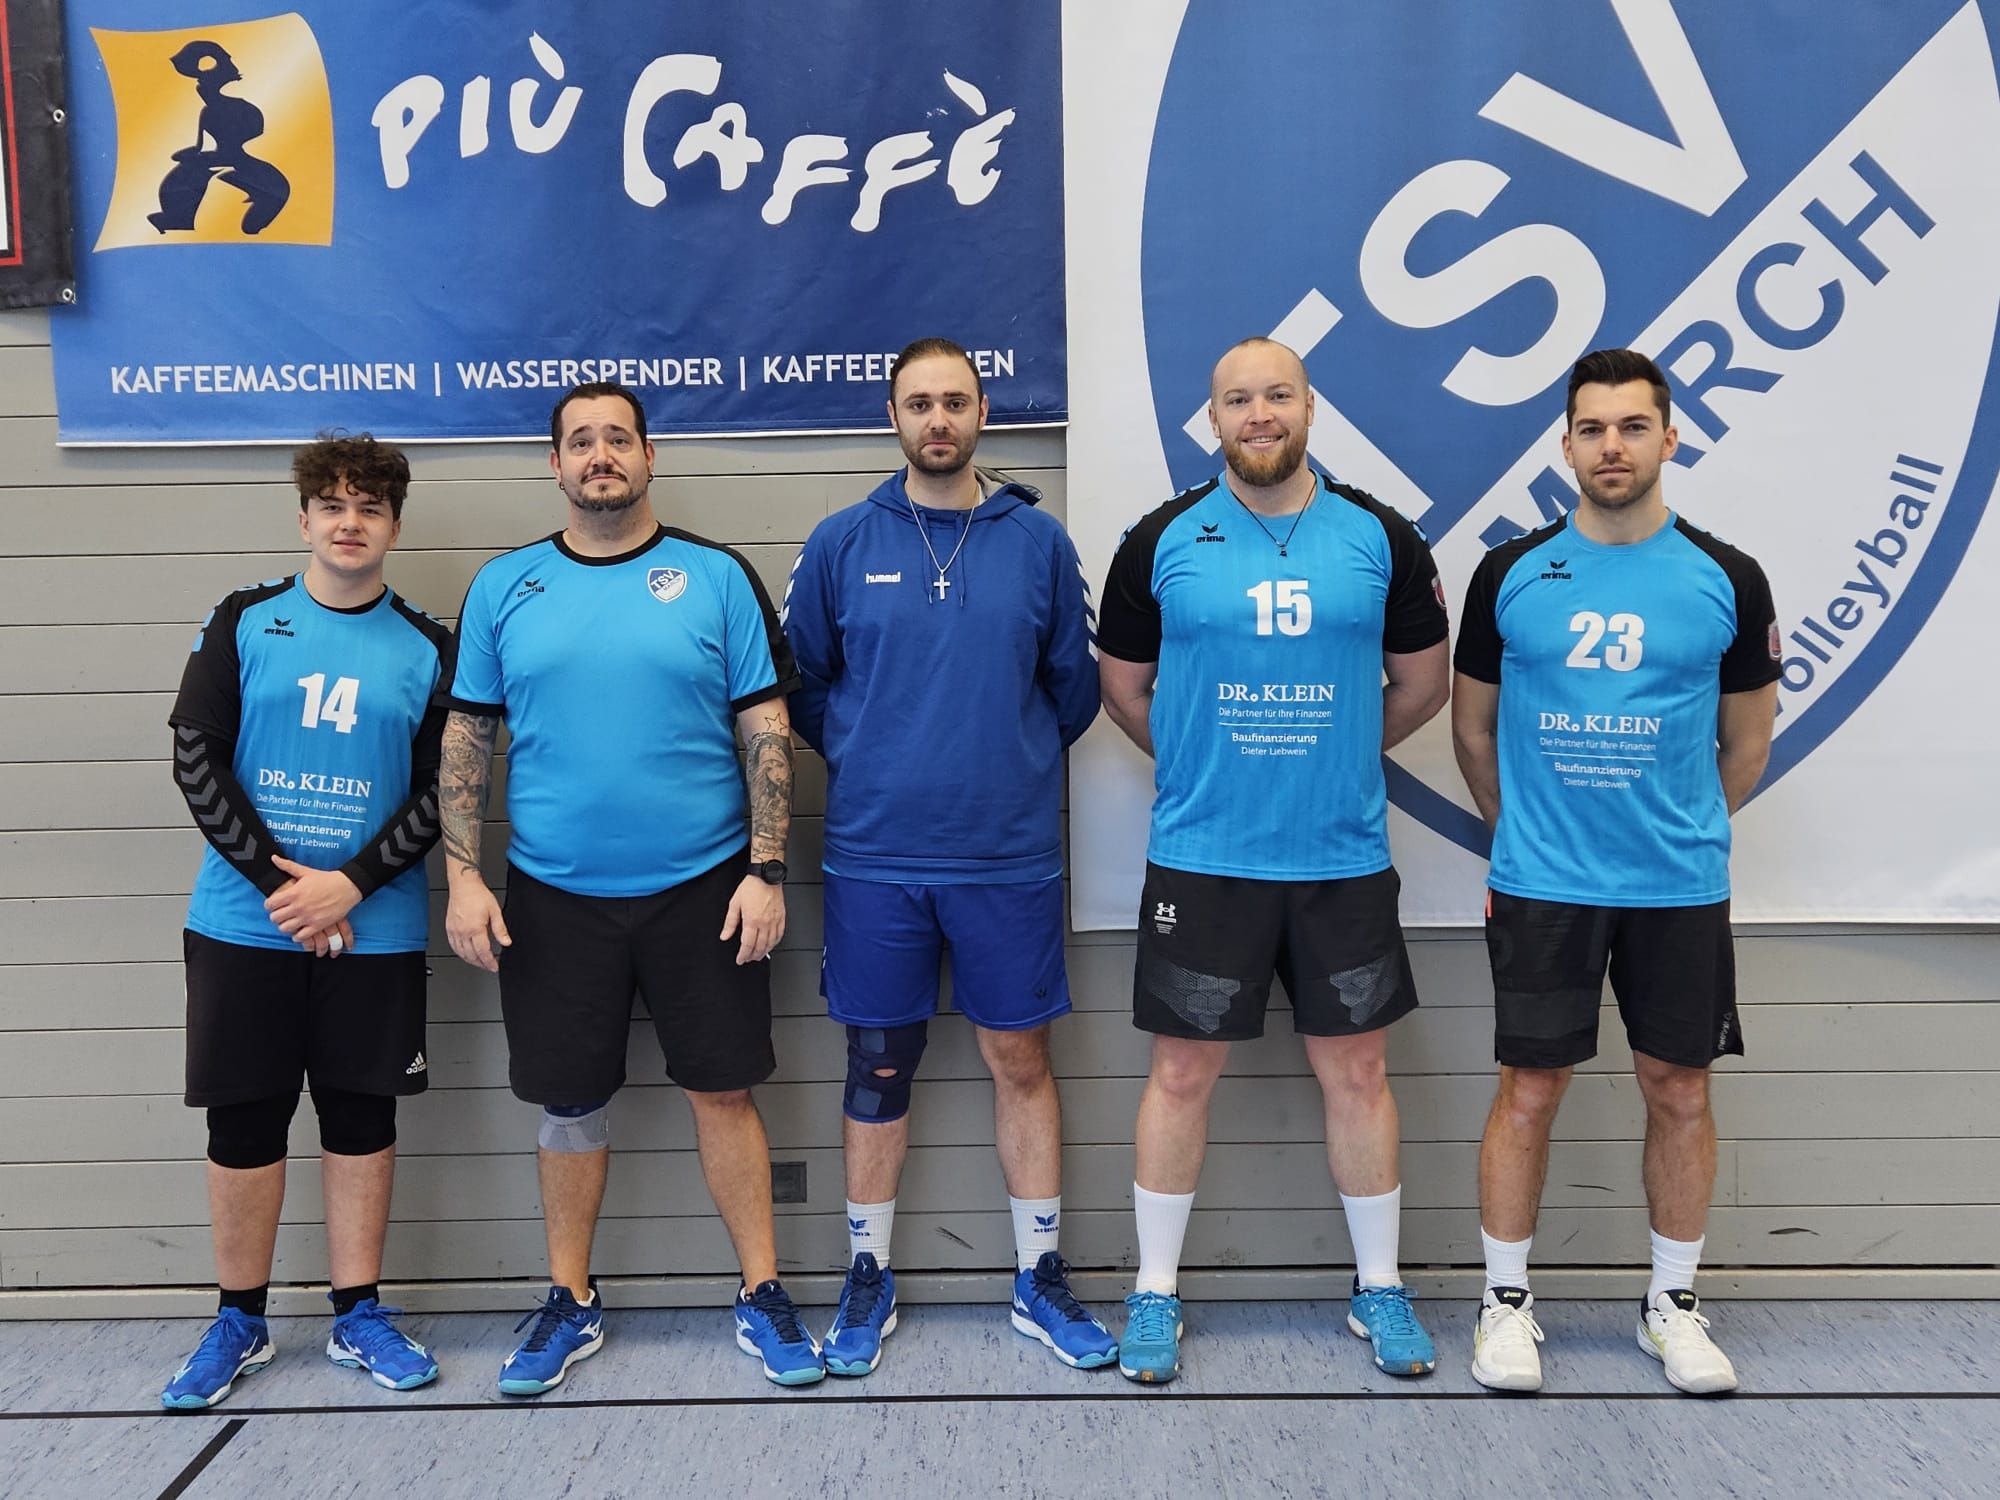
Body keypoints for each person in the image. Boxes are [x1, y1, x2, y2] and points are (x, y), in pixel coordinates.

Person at [438, 381, 820, 1391]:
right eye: (580, 441)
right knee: (568, 1103)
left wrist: (766, 870)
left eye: (617, 438)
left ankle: (762, 1291)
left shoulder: (715, 577)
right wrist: (464, 879)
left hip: (706, 890)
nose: (599, 455)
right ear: (554, 465)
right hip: (553, 896)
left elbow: (766, 730)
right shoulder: (504, 587)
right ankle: (570, 1299)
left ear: (650, 457)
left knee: (723, 1090)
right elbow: (467, 738)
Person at [1096, 337, 1450, 1384]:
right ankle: (1155, 1293)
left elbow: (1422, 683)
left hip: (1340, 861)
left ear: (1308, 408)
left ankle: (1378, 1288)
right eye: (1238, 399)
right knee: (1180, 1072)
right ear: (1211, 420)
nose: (1260, 414)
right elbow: (1123, 690)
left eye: (1278, 395)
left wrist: (1338, 751)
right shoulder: (1158, 539)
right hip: (1205, 859)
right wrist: (1204, 759)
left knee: (1359, 1070)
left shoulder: (1380, 535)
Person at [781, 337, 1114, 1376]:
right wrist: (873, 752)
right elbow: (803, 687)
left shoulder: (1040, 543)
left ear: (982, 414)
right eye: (919, 403)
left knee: (1020, 1060)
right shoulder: (840, 541)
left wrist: (1000, 761)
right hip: (874, 857)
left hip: (1006, 857)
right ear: (892, 416)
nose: (938, 419)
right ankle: (867, 1273)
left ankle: (1039, 1274)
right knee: (878, 1063)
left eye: (955, 402)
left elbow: (1073, 691)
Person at [1451, 347, 1779, 1396]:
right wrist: (1524, 837)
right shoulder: (1509, 573)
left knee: (1677, 1088)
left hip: (1676, 887)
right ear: (1564, 445)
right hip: (1543, 883)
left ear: (1669, 438)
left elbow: (1746, 745)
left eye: (1633, 426)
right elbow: (1472, 731)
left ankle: (1670, 1306)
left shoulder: (1727, 577)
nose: (1611, 446)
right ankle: (1504, 1304)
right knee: (1528, 1088)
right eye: (1591, 428)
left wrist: (1673, 829)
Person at [160, 434, 451, 1409]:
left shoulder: (429, 648)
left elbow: (443, 791)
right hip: (244, 925)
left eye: (370, 507)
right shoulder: (244, 620)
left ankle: (357, 1314)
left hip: (375, 928)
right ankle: (238, 1319)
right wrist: (285, 891)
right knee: (244, 1117)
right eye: (332, 505)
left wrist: (350, 886)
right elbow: (196, 758)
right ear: (303, 520)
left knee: (361, 1116)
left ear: (395, 526)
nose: (349, 522)